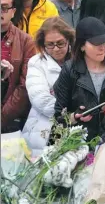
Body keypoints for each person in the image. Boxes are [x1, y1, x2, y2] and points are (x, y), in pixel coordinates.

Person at [53, 17, 105, 142]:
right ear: (82, 46)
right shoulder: (70, 70)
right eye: (96, 44)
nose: (102, 48)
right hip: (77, 144)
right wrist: (75, 116)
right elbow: (59, 117)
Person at [22, 17, 74, 156]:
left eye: (60, 43)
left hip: (75, 127)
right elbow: (40, 99)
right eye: (50, 45)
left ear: (69, 40)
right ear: (43, 44)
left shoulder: (78, 61)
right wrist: (70, 115)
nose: (56, 49)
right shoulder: (37, 63)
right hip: (44, 127)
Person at [1, 0, 35, 133]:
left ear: (13, 11)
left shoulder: (26, 41)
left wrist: (3, 117)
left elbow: (25, 86)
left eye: (4, 8)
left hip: (10, 118)